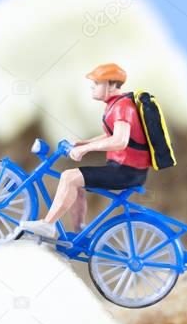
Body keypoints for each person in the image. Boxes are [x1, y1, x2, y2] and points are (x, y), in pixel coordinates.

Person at [17, 63, 150, 239]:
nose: (92, 87)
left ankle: (48, 225)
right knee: (76, 181)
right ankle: (80, 230)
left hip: (127, 172)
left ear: (110, 85)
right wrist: (82, 143)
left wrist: (86, 149)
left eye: (96, 84)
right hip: (122, 168)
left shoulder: (122, 107)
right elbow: (109, 134)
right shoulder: (117, 104)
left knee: (68, 177)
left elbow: (120, 141)